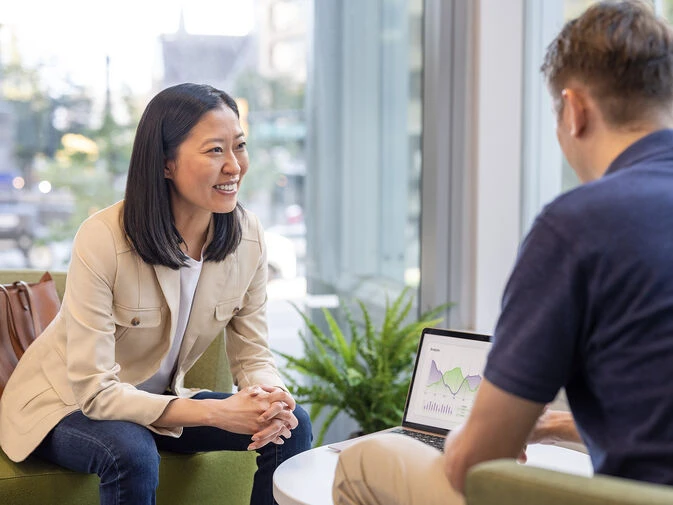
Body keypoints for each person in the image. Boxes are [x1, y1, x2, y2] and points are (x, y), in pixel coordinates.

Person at [333, 1, 673, 503]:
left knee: (366, 459)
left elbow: (474, 465)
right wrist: (554, 426)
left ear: (575, 110)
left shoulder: (577, 224)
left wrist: (464, 440)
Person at [0, 83, 312, 505]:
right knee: (130, 449)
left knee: (293, 425)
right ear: (166, 164)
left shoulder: (248, 237)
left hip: (158, 402)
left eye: (238, 146)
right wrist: (218, 412)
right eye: (214, 150)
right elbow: (95, 393)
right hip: (66, 405)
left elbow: (253, 355)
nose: (234, 165)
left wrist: (271, 399)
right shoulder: (103, 238)